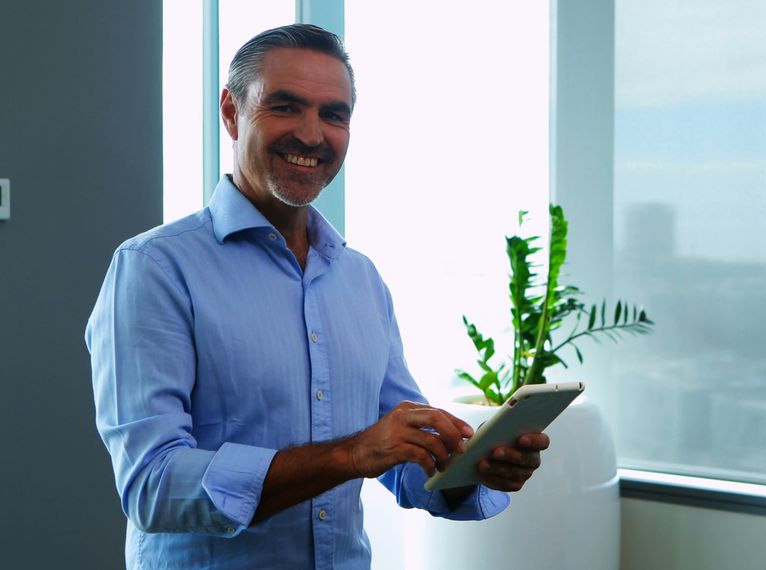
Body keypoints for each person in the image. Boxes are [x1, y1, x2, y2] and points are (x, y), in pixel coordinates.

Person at [86, 23, 549, 569]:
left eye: (334, 114)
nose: (312, 135)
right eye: (286, 106)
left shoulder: (360, 279)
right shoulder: (154, 269)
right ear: (231, 112)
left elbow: (403, 455)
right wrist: (350, 455)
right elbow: (154, 485)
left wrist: (469, 470)